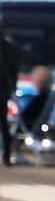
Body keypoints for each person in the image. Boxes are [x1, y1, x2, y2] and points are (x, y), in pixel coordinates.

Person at [0, 34, 19, 166]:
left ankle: (6, 154)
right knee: (4, 124)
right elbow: (14, 70)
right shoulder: (9, 47)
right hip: (4, 90)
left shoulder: (8, 48)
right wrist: (13, 87)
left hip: (3, 89)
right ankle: (6, 155)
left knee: (4, 124)